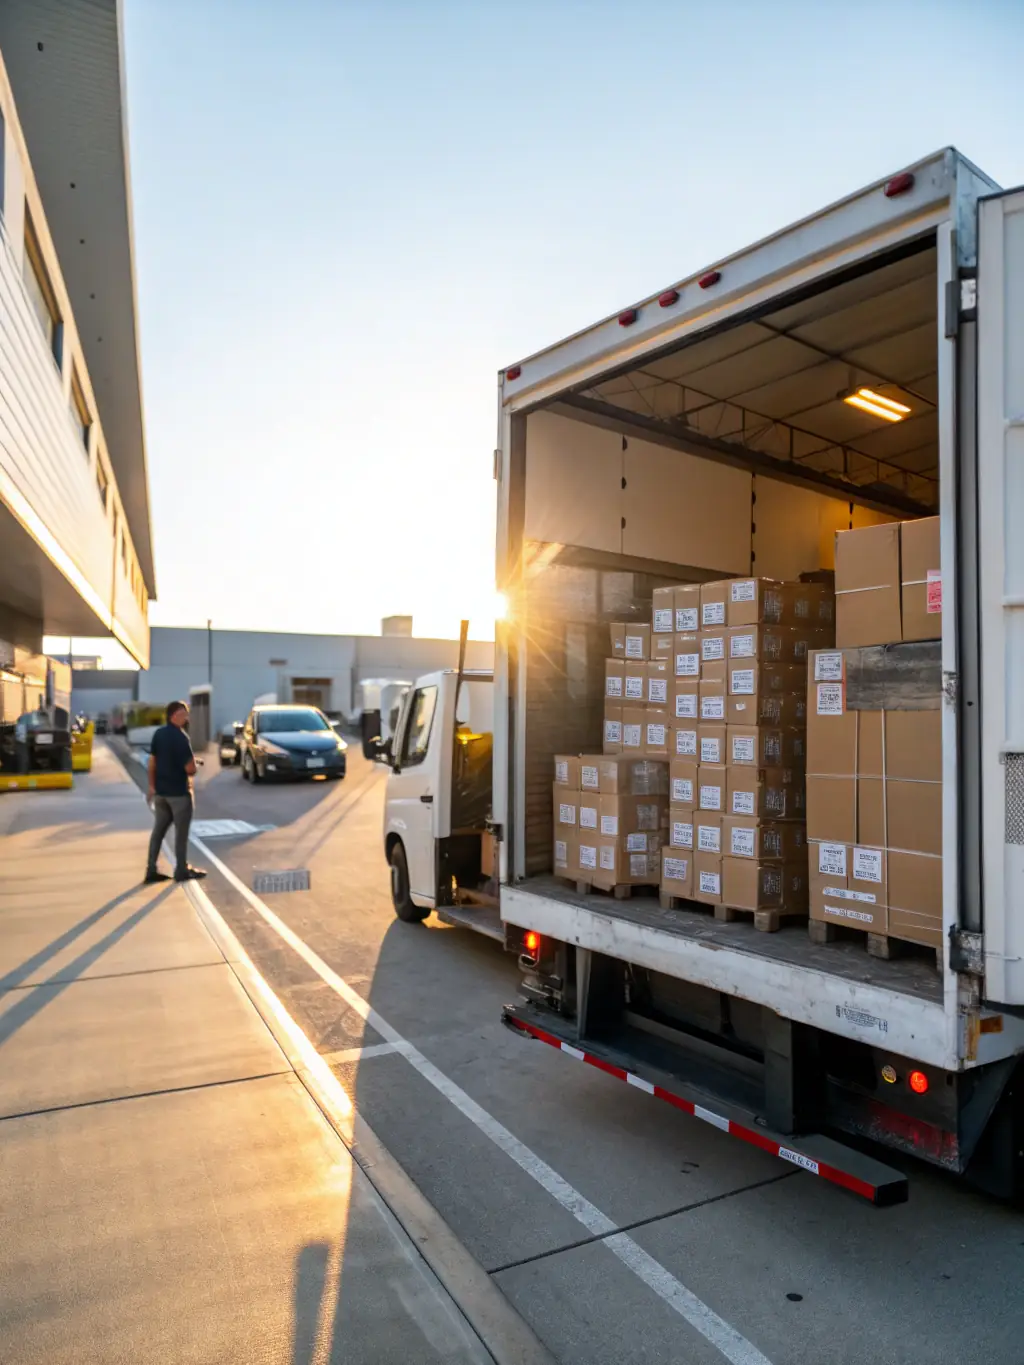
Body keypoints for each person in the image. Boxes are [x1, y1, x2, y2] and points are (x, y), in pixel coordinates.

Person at [144, 701, 207, 883]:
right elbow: (190, 769)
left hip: (161, 794)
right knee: (181, 834)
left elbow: (152, 762)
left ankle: (151, 869)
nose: (187, 718)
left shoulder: (159, 734)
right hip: (179, 794)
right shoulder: (181, 738)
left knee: (158, 832)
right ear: (175, 715)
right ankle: (181, 870)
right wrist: (195, 765)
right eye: (184, 714)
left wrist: (151, 786)